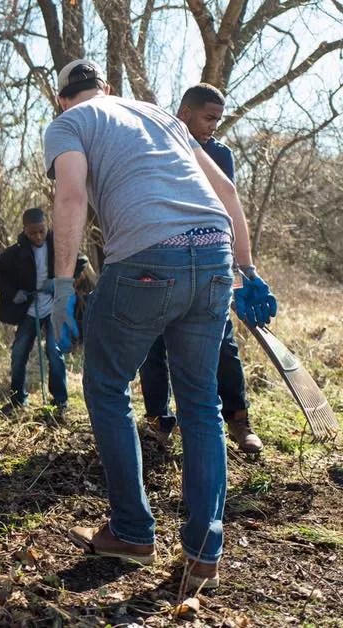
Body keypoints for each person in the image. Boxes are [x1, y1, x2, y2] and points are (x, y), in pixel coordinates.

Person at [44, 60, 277, 592]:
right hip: (214, 252)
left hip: (148, 260)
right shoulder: (158, 115)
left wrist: (61, 287)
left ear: (61, 99)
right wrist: (248, 269)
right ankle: (203, 553)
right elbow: (228, 194)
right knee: (201, 403)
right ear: (106, 89)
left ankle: (132, 531)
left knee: (106, 386)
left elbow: (72, 195)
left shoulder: (68, 125)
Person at [139, 83, 262, 453]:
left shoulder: (220, 155)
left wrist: (244, 269)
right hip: (162, 257)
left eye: (218, 120)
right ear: (186, 112)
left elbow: (228, 210)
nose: (213, 126)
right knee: (153, 343)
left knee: (223, 344)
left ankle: (239, 420)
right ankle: (158, 422)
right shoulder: (154, 145)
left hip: (211, 262)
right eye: (209, 118)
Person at [0, 206, 86, 416]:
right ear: (25, 231)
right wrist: (13, 293)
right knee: (19, 352)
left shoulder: (58, 244)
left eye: (41, 230)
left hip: (53, 306)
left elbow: (81, 261)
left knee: (54, 353)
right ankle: (18, 400)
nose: (38, 236)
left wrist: (57, 282)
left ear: (46, 226)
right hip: (30, 309)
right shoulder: (17, 251)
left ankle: (60, 403)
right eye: (32, 233)